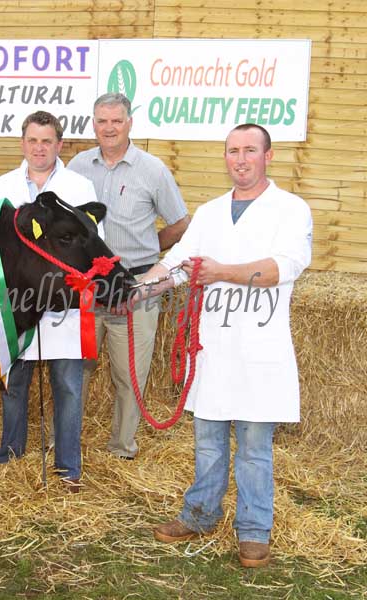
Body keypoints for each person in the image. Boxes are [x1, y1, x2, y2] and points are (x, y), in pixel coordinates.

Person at [144, 124, 313, 567]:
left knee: (255, 446)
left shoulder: (291, 210)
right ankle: (199, 514)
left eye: (250, 151)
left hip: (260, 349)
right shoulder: (211, 211)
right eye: (233, 151)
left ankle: (254, 530)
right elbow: (177, 265)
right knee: (208, 441)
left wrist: (221, 272)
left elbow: (283, 267)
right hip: (213, 348)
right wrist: (135, 288)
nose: (241, 159)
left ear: (268, 156)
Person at [67, 92, 190, 460]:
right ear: (93, 124)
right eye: (102, 121)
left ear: (129, 123)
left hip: (136, 286)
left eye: (116, 121)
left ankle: (121, 448)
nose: (109, 128)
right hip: (87, 288)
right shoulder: (76, 166)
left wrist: (151, 248)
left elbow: (181, 223)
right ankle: (68, 442)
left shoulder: (152, 170)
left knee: (129, 375)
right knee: (76, 370)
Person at [0, 110, 101, 491]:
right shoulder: (2, 186)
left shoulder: (80, 187)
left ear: (60, 144)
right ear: (23, 143)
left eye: (47, 141)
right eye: (33, 140)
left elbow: (87, 248)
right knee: (14, 385)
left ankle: (68, 466)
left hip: (64, 306)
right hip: (17, 307)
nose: (40, 148)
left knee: (68, 386)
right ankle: (10, 455)